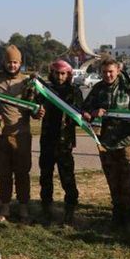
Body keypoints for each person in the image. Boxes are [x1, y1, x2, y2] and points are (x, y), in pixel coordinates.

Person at [82, 58, 130, 230]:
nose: (107, 75)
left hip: (126, 143)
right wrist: (92, 112)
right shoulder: (98, 88)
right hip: (106, 142)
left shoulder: (129, 88)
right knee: (113, 180)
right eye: (104, 72)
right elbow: (83, 109)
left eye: (111, 72)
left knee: (128, 180)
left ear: (118, 71)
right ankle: (117, 213)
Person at [0, 45, 44, 223]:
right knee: (3, 173)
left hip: (22, 135)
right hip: (1, 136)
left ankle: (23, 206)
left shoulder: (27, 83)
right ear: (4, 62)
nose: (12, 65)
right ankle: (5, 206)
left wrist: (38, 113)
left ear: (20, 63)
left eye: (15, 62)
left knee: (22, 173)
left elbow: (33, 107)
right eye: (9, 62)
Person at [38, 60, 82, 226]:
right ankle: (46, 209)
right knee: (45, 178)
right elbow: (35, 106)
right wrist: (38, 110)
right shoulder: (44, 90)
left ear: (69, 74)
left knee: (68, 178)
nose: (60, 76)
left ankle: (69, 211)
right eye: (56, 73)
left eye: (63, 73)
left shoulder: (74, 92)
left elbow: (79, 114)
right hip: (47, 141)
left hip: (65, 143)